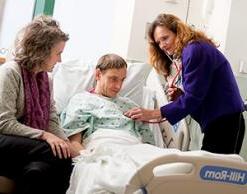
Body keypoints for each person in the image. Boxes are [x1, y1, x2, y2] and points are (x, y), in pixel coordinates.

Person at [124, 13, 245, 155]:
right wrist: (181, 95)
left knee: (212, 173)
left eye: (165, 38)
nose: (162, 45)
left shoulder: (195, 50)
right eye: (158, 42)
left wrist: (152, 114)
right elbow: (200, 91)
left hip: (224, 122)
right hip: (221, 121)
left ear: (178, 32)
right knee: (216, 172)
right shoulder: (191, 51)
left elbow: (193, 99)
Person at [60, 54, 172, 194]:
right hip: (102, 146)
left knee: (170, 167)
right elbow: (73, 142)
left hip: (134, 147)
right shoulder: (81, 100)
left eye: (122, 80)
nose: (118, 86)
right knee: (115, 176)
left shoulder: (130, 105)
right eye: (113, 79)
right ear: (98, 74)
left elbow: (147, 143)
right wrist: (88, 160)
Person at [0, 15, 74, 194]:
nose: (60, 60)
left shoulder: (46, 79)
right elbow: (4, 123)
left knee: (38, 171)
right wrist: (45, 136)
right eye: (58, 53)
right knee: (55, 154)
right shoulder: (10, 72)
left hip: (24, 145)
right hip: (3, 138)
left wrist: (65, 143)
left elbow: (51, 117)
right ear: (41, 50)